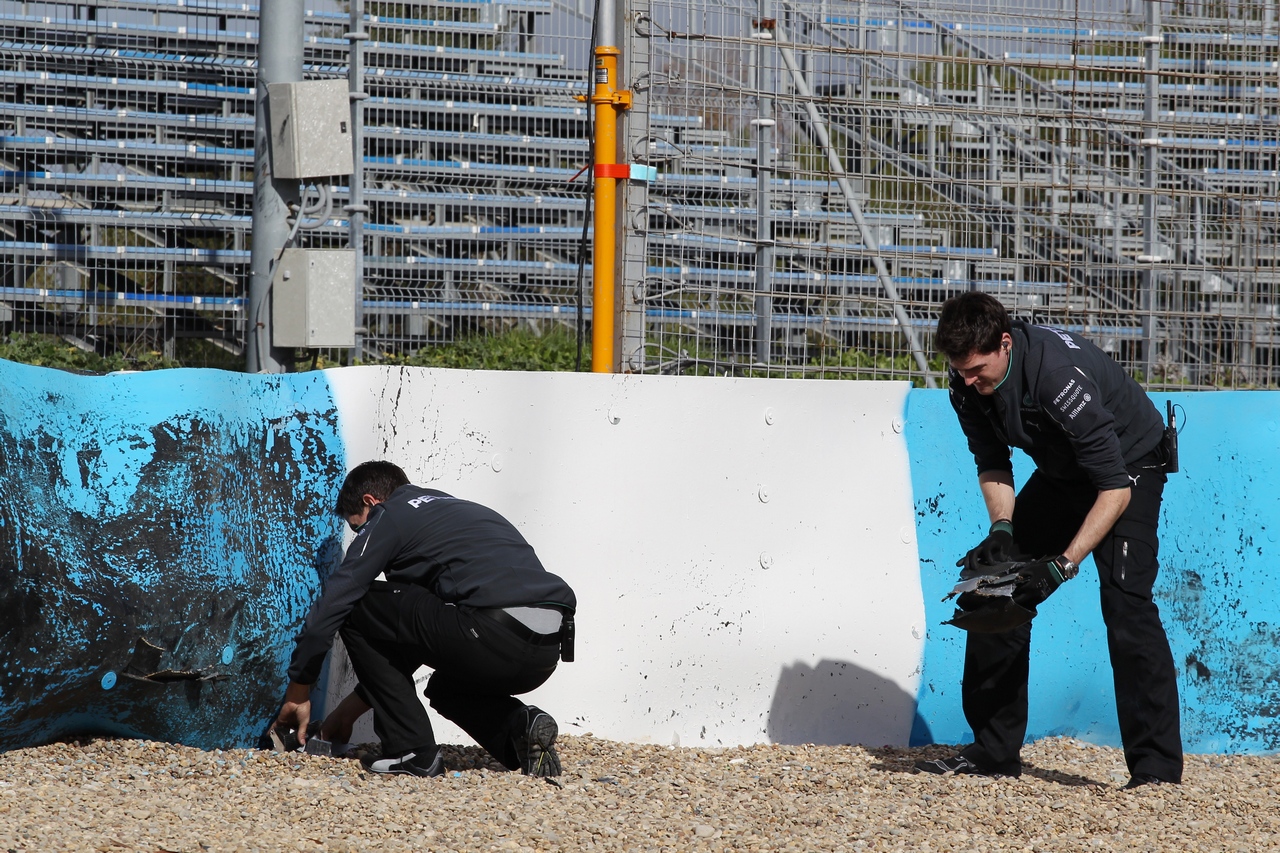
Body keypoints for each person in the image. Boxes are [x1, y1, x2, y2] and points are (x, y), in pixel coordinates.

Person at [915, 292, 1181, 789]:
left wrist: (1061, 565)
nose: (968, 381)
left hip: (1130, 469)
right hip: (1066, 474)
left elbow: (1114, 487)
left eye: (977, 370)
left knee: (1126, 604)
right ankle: (993, 754)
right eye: (960, 370)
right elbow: (992, 462)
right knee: (991, 586)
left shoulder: (1056, 379)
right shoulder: (967, 384)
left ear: (1005, 343)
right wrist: (1002, 531)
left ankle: (1156, 773)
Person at [272, 460, 577, 778]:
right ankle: (519, 727)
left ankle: (411, 751)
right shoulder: (460, 511)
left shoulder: (390, 515)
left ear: (370, 503)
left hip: (491, 630)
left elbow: (332, 606)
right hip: (544, 650)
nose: (363, 538)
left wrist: (298, 691)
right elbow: (418, 635)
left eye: (359, 528)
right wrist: (351, 710)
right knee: (445, 688)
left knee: (354, 604)